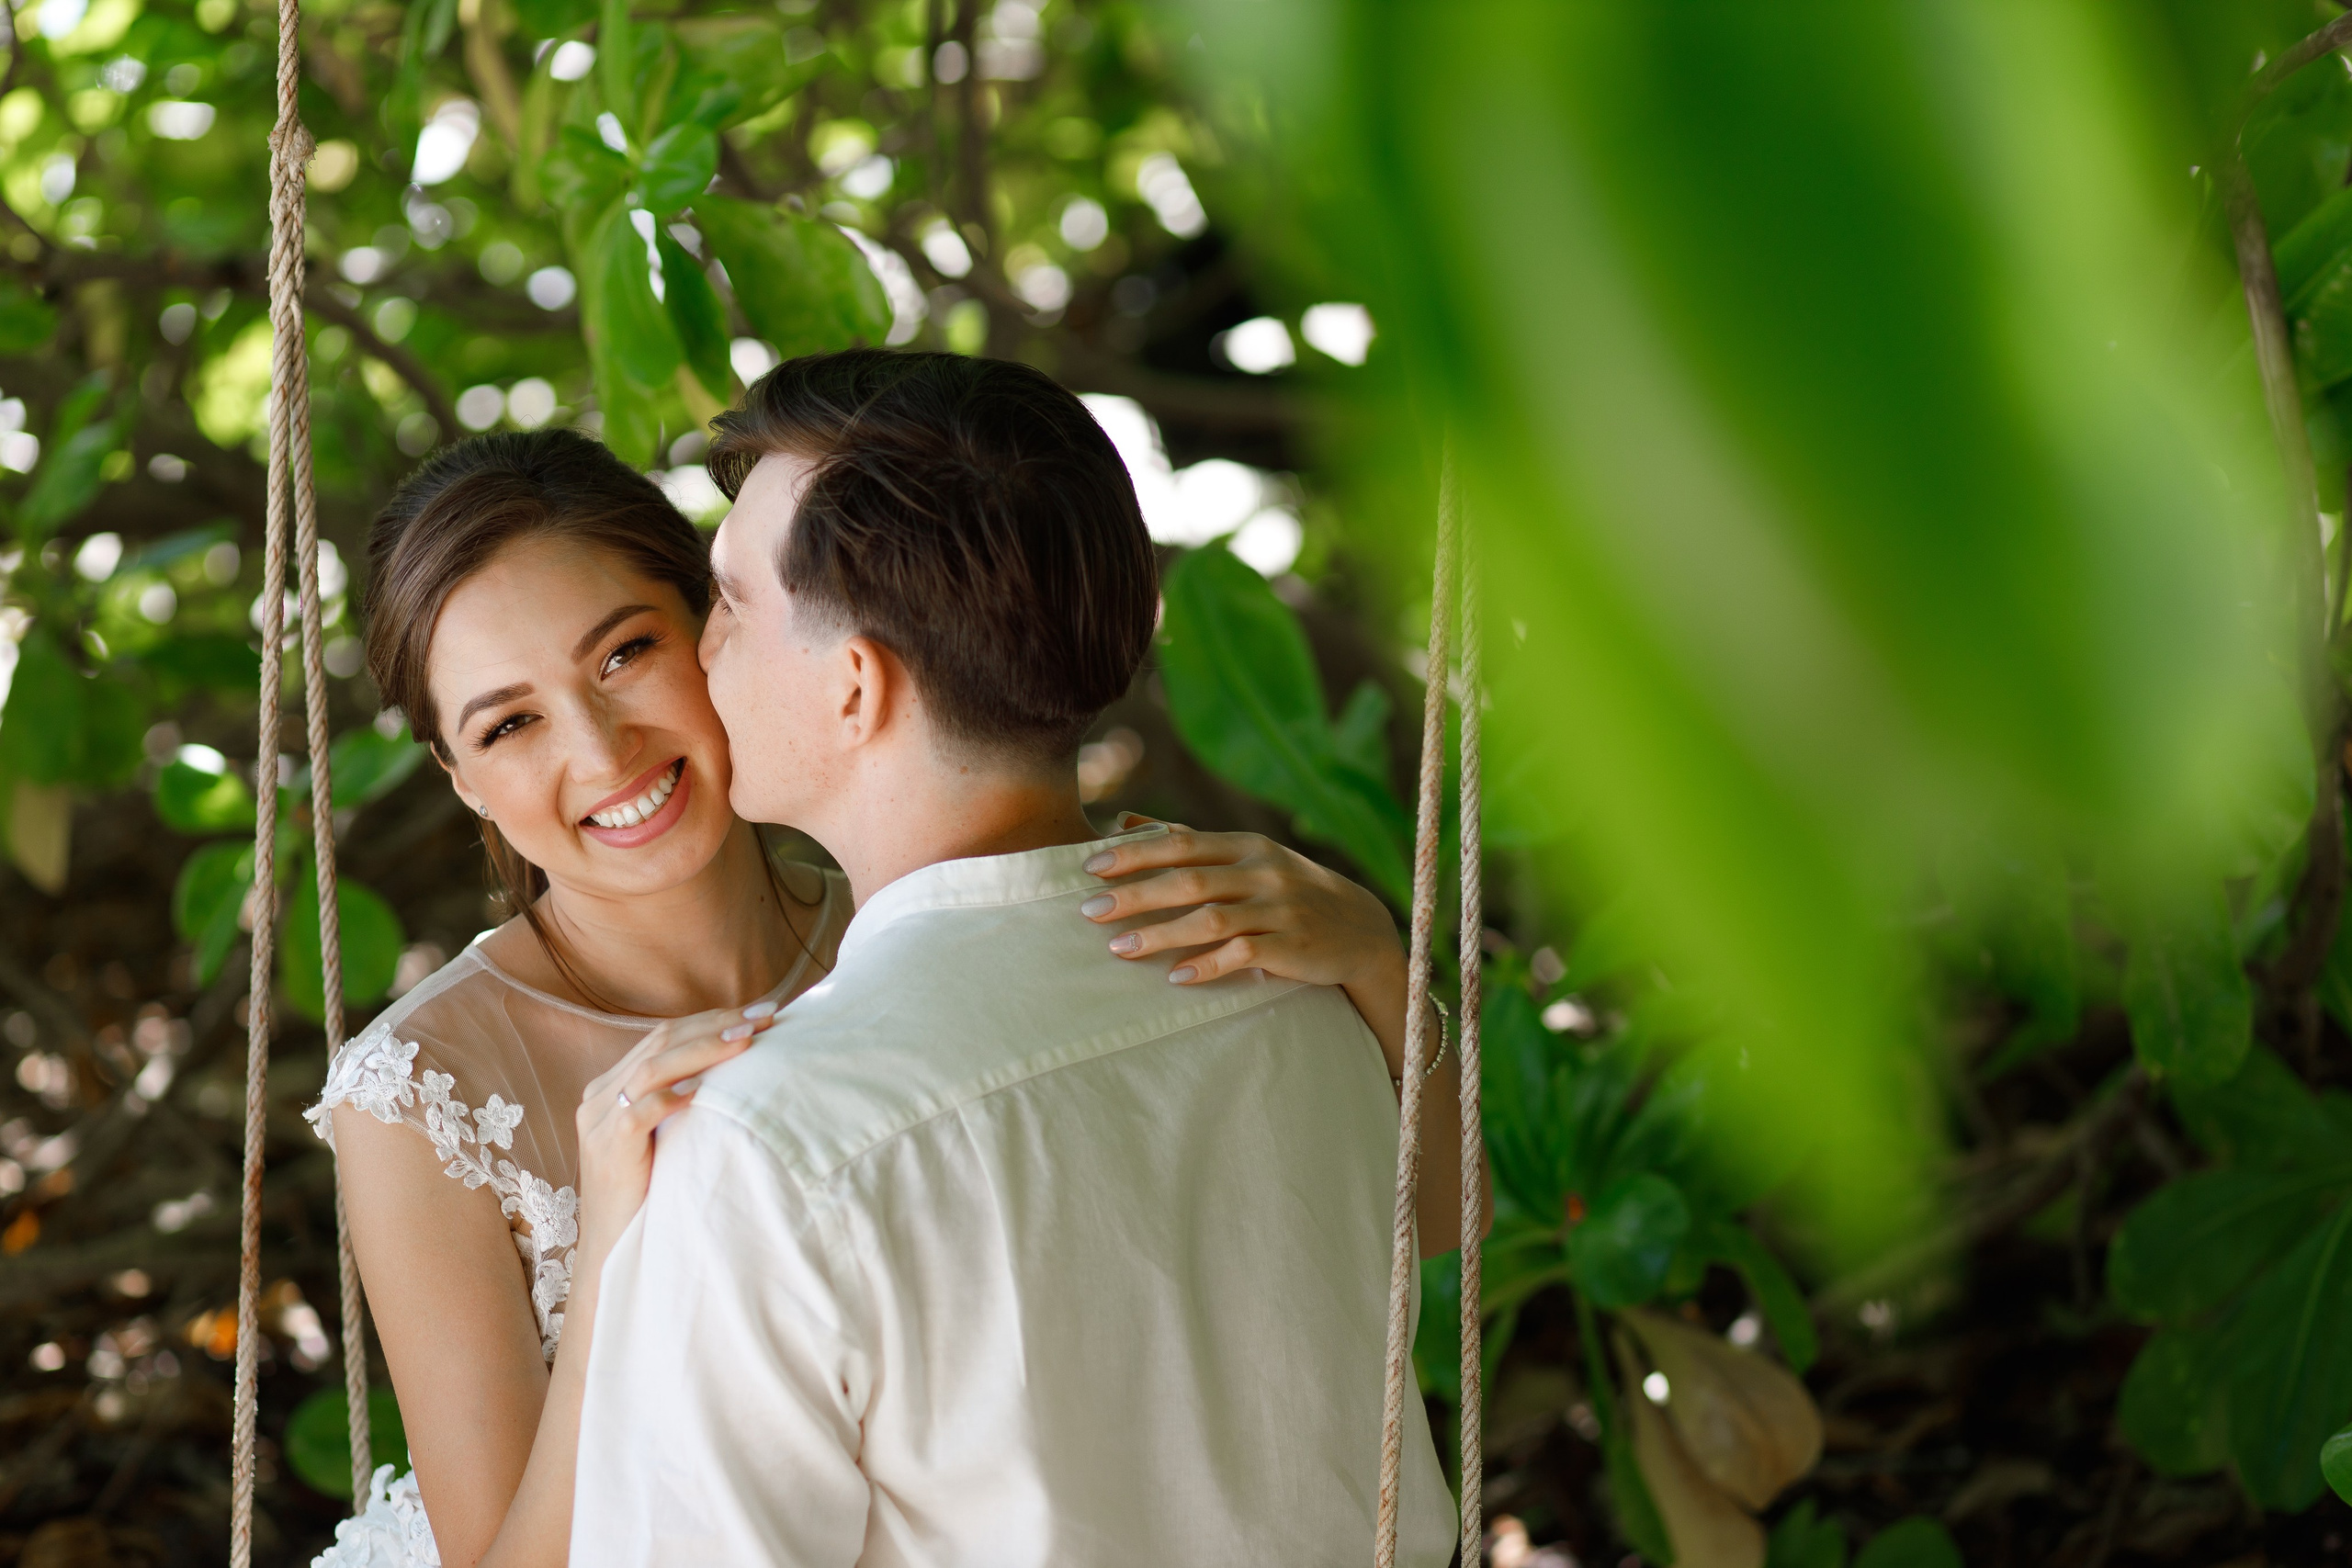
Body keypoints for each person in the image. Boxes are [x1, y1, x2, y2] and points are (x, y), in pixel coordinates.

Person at [303, 428, 1447, 1568]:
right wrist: (614, 1252)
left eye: (623, 654)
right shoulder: (424, 1092)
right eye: (509, 724)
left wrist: (1371, 963)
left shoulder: (923, 922)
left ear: (720, 627)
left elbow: (1421, 1226)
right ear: (461, 779)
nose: (601, 750)